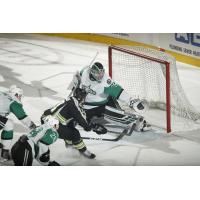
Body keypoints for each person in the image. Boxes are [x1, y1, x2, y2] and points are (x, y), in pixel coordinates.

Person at [68, 62, 151, 132]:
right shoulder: (84, 72)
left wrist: (131, 101)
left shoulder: (105, 80)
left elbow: (118, 91)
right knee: (80, 120)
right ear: (92, 72)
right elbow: (75, 84)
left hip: (104, 103)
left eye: (102, 72)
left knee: (116, 115)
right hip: (88, 106)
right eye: (98, 73)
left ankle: (138, 123)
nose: (100, 75)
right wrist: (76, 81)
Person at [41, 88, 105, 159]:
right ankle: (83, 151)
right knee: (75, 134)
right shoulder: (74, 106)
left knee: (71, 124)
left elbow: (78, 118)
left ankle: (69, 144)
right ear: (80, 98)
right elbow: (83, 121)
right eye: (84, 98)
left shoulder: (69, 100)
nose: (84, 100)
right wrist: (94, 127)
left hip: (45, 118)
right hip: (53, 125)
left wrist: (91, 126)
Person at [0, 85, 36, 161]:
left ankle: (4, 152)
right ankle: (4, 152)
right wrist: (33, 126)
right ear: (16, 94)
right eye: (20, 96)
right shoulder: (13, 101)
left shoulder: (3, 93)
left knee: (7, 123)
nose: (20, 98)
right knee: (9, 124)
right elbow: (23, 117)